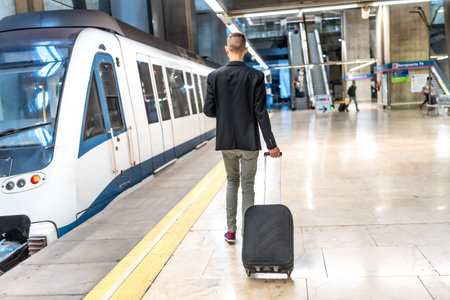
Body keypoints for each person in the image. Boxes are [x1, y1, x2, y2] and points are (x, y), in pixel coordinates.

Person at [203, 32, 281, 244]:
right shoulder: (256, 77)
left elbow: (208, 111)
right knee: (247, 185)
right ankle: (249, 231)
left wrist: (225, 109)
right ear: (245, 51)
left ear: (227, 49)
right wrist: (271, 144)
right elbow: (261, 114)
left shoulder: (214, 77)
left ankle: (230, 231)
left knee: (231, 182)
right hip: (249, 142)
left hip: (226, 141)